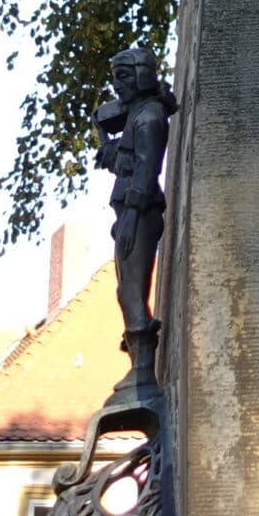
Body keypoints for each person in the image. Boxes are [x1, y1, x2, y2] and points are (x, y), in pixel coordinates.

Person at [96, 45, 177, 384]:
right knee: (125, 289)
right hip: (128, 214)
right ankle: (138, 364)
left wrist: (130, 217)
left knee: (131, 290)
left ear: (142, 77)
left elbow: (146, 172)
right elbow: (128, 160)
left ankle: (142, 368)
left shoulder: (148, 119)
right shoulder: (137, 115)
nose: (118, 86)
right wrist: (111, 151)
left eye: (124, 77)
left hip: (137, 214)